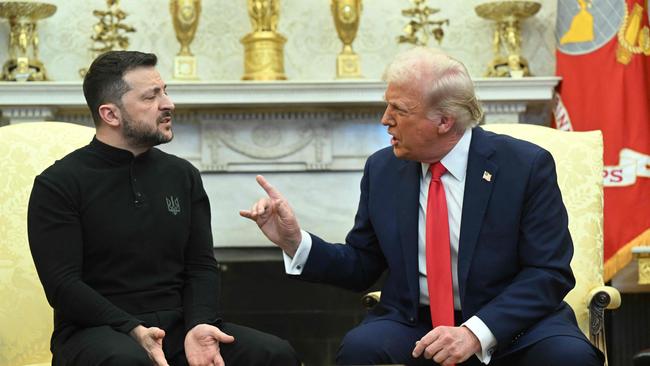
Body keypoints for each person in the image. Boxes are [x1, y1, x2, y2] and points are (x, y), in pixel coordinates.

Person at [240, 47, 604, 366]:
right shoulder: (383, 169)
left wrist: (475, 333)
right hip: (417, 320)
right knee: (359, 349)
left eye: (399, 109)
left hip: (515, 324)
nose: (385, 119)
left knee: (569, 357)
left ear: (444, 121)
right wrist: (294, 242)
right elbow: (362, 263)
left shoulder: (525, 166)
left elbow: (548, 273)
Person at [28, 50, 300, 366]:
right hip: (96, 332)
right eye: (151, 97)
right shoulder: (58, 183)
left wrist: (200, 323)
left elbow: (200, 265)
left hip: (180, 328)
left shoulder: (182, 175)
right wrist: (132, 328)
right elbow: (63, 286)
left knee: (274, 354)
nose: (168, 104)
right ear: (111, 114)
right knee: (128, 362)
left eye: (165, 91)